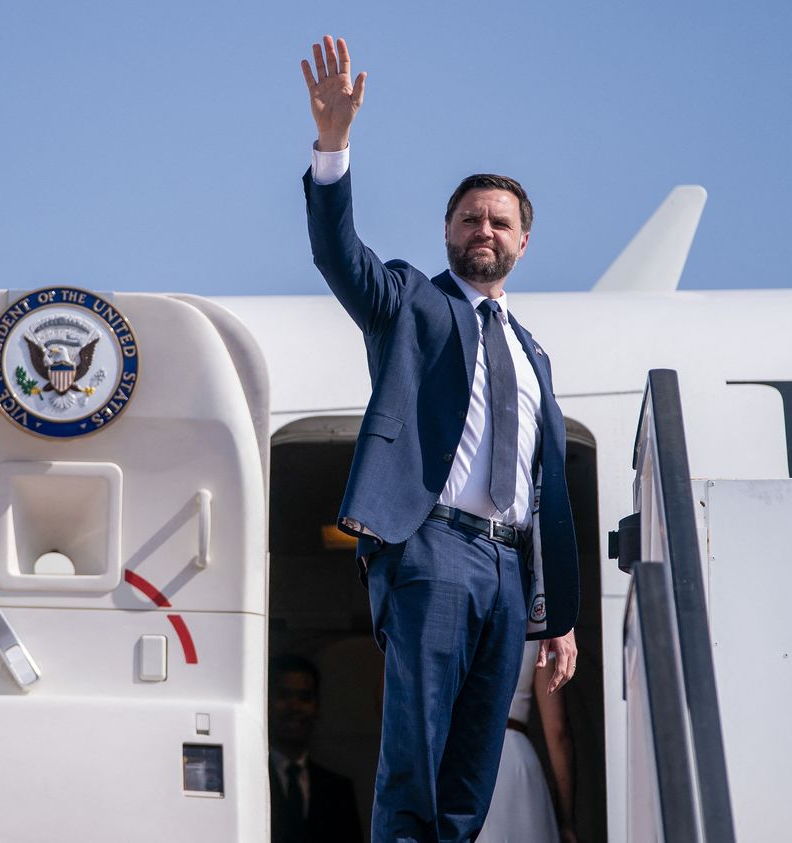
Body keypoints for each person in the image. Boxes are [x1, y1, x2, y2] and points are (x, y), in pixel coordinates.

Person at [300, 35, 581, 843]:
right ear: (448, 230)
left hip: (506, 569)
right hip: (433, 549)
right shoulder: (412, 303)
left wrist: (556, 613)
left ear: (524, 240)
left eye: (500, 221)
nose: (484, 230)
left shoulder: (534, 356)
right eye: (469, 218)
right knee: (415, 761)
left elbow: (544, 489)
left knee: (471, 777)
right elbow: (337, 254)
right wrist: (333, 144)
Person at [476, 643, 578, 843]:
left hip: (465, 758)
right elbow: (557, 731)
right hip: (515, 763)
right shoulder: (540, 620)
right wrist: (567, 820)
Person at [269, 653, 365, 843]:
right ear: (266, 702)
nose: (294, 707)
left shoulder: (338, 790)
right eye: (284, 695)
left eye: (304, 697)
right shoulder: (248, 781)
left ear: (317, 707)